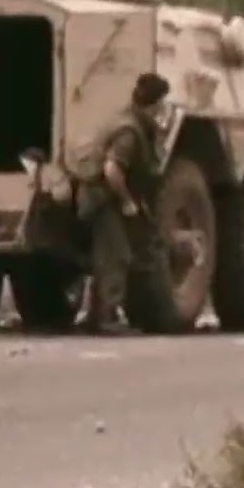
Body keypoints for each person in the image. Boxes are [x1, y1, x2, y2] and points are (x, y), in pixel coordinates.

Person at [73, 72, 172, 335]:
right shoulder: (129, 130)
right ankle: (106, 318)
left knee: (106, 254)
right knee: (116, 255)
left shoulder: (128, 121)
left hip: (102, 197)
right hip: (102, 199)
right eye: (162, 102)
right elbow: (112, 169)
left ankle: (96, 315)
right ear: (154, 103)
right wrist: (127, 201)